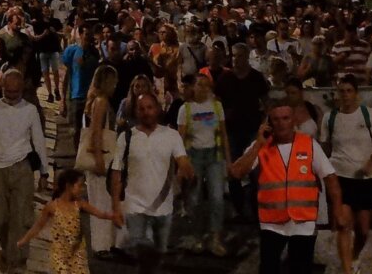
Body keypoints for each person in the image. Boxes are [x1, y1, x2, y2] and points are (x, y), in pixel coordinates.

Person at [228, 100, 350, 274]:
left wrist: (337, 210)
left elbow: (330, 178)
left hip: (303, 222)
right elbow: (236, 172)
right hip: (272, 222)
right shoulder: (262, 146)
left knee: (301, 269)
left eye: (285, 118)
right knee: (268, 268)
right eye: (276, 119)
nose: (281, 123)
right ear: (269, 122)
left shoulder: (308, 144)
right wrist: (257, 145)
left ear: (293, 121)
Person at [111, 91, 195, 271]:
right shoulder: (126, 138)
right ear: (136, 112)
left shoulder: (171, 136)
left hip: (162, 209)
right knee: (144, 255)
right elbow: (116, 172)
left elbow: (182, 160)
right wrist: (116, 206)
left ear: (157, 109)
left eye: (150, 107)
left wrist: (187, 171)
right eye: (142, 108)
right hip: (135, 208)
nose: (146, 112)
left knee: (156, 257)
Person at [0, 69, 50, 274]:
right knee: (0, 219)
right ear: (2, 89)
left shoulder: (30, 110)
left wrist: (44, 172)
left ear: (22, 89)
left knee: (20, 216)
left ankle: (15, 262)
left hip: (22, 167)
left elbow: (39, 141)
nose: (11, 96)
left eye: (16, 92)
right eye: (7, 92)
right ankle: (3, 246)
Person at [320, 74, 372, 273]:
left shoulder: (368, 114)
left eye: (349, 91)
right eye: (342, 91)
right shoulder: (329, 117)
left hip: (364, 180)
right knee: (343, 225)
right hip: (340, 179)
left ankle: (355, 256)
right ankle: (347, 269)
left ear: (356, 93)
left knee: (364, 231)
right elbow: (324, 148)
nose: (345, 95)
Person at [16, 169, 121, 274]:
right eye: (80, 185)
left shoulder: (80, 204)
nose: (82, 189)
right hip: (60, 253)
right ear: (69, 186)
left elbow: (99, 213)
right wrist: (24, 240)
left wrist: (113, 216)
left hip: (77, 253)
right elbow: (38, 226)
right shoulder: (52, 206)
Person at [215, 42, 269, 221]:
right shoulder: (225, 78)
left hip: (252, 129)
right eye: (234, 55)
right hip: (231, 129)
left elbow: (266, 102)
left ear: (246, 57)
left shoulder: (256, 78)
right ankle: (238, 208)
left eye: (239, 56)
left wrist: (264, 123)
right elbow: (217, 102)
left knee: (255, 170)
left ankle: (255, 207)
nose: (235, 59)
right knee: (234, 170)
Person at [177, 74, 229, 256]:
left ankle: (215, 237)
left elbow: (223, 134)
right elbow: (180, 138)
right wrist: (181, 164)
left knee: (217, 198)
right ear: (193, 87)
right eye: (199, 85)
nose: (203, 88)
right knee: (195, 199)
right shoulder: (186, 109)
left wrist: (228, 161)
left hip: (214, 155)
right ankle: (198, 236)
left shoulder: (216, 106)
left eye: (206, 85)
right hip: (194, 157)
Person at [82, 65, 119, 259]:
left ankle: (106, 243)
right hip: (102, 155)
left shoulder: (94, 100)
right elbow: (96, 130)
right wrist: (98, 157)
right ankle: (102, 245)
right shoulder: (102, 101)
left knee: (101, 199)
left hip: (101, 155)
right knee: (102, 200)